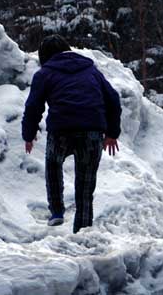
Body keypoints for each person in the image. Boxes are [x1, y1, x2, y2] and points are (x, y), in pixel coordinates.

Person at [22, 35, 122, 233]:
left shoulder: (45, 73)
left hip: (61, 130)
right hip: (92, 132)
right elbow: (113, 99)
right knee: (85, 186)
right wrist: (112, 133)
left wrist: (29, 134)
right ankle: (83, 231)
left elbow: (33, 106)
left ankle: (57, 212)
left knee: (53, 164)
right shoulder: (91, 71)